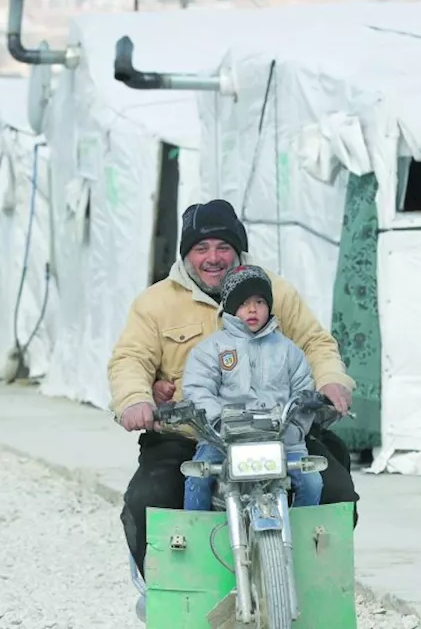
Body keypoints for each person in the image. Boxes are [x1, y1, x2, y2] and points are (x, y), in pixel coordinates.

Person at [108, 198, 358, 582]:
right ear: (186, 254)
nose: (213, 257)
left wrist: (331, 381)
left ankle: (316, 585)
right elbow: (130, 359)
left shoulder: (274, 291)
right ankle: (165, 590)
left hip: (275, 431)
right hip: (193, 435)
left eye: (223, 247)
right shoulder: (155, 304)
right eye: (201, 248)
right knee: (149, 498)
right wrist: (136, 399)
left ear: (238, 250)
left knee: (335, 489)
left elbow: (315, 343)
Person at [181, 264, 322, 511]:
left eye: (260, 301)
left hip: (281, 441)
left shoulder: (288, 350)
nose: (253, 309)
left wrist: (295, 424)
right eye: (244, 302)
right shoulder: (211, 349)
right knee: (197, 479)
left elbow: (302, 392)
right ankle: (198, 539)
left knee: (312, 481)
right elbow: (198, 389)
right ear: (231, 308)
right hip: (223, 441)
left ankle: (300, 540)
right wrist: (219, 424)